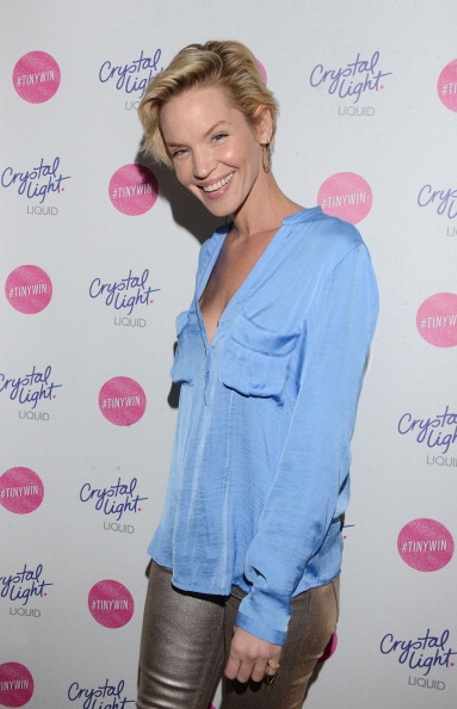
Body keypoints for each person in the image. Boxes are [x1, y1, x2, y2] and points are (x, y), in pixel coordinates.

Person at [136, 40, 378, 709]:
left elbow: (316, 446)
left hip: (279, 580)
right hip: (185, 559)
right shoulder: (212, 251)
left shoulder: (333, 254)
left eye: (217, 136)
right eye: (180, 150)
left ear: (261, 125)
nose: (200, 166)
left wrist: (266, 599)